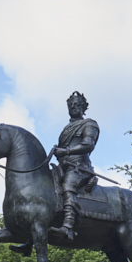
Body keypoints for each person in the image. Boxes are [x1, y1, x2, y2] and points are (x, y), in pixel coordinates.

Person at [50, 91, 100, 240]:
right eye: (70, 105)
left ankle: (68, 227)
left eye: (76, 105)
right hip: (62, 168)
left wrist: (66, 150)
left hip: (80, 168)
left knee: (68, 186)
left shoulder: (90, 124)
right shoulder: (66, 128)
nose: (73, 107)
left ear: (83, 107)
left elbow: (88, 145)